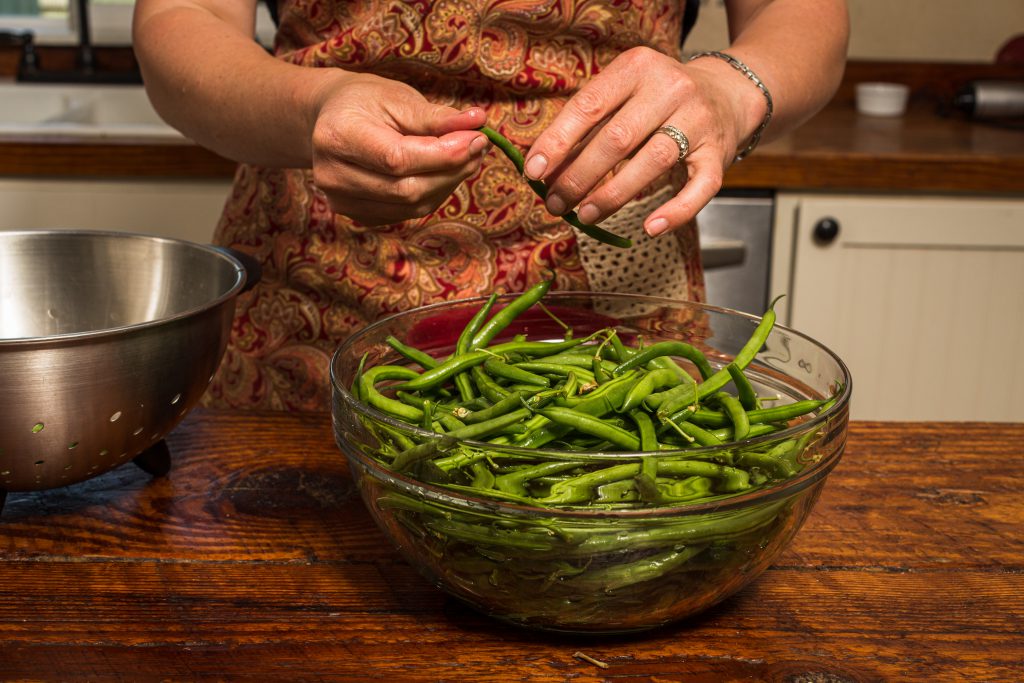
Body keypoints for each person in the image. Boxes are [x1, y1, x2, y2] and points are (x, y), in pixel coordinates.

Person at [132, 0, 849, 411]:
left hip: (615, 289)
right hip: (315, 285)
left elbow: (800, 13)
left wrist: (729, 89)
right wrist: (308, 108)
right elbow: (183, 15)